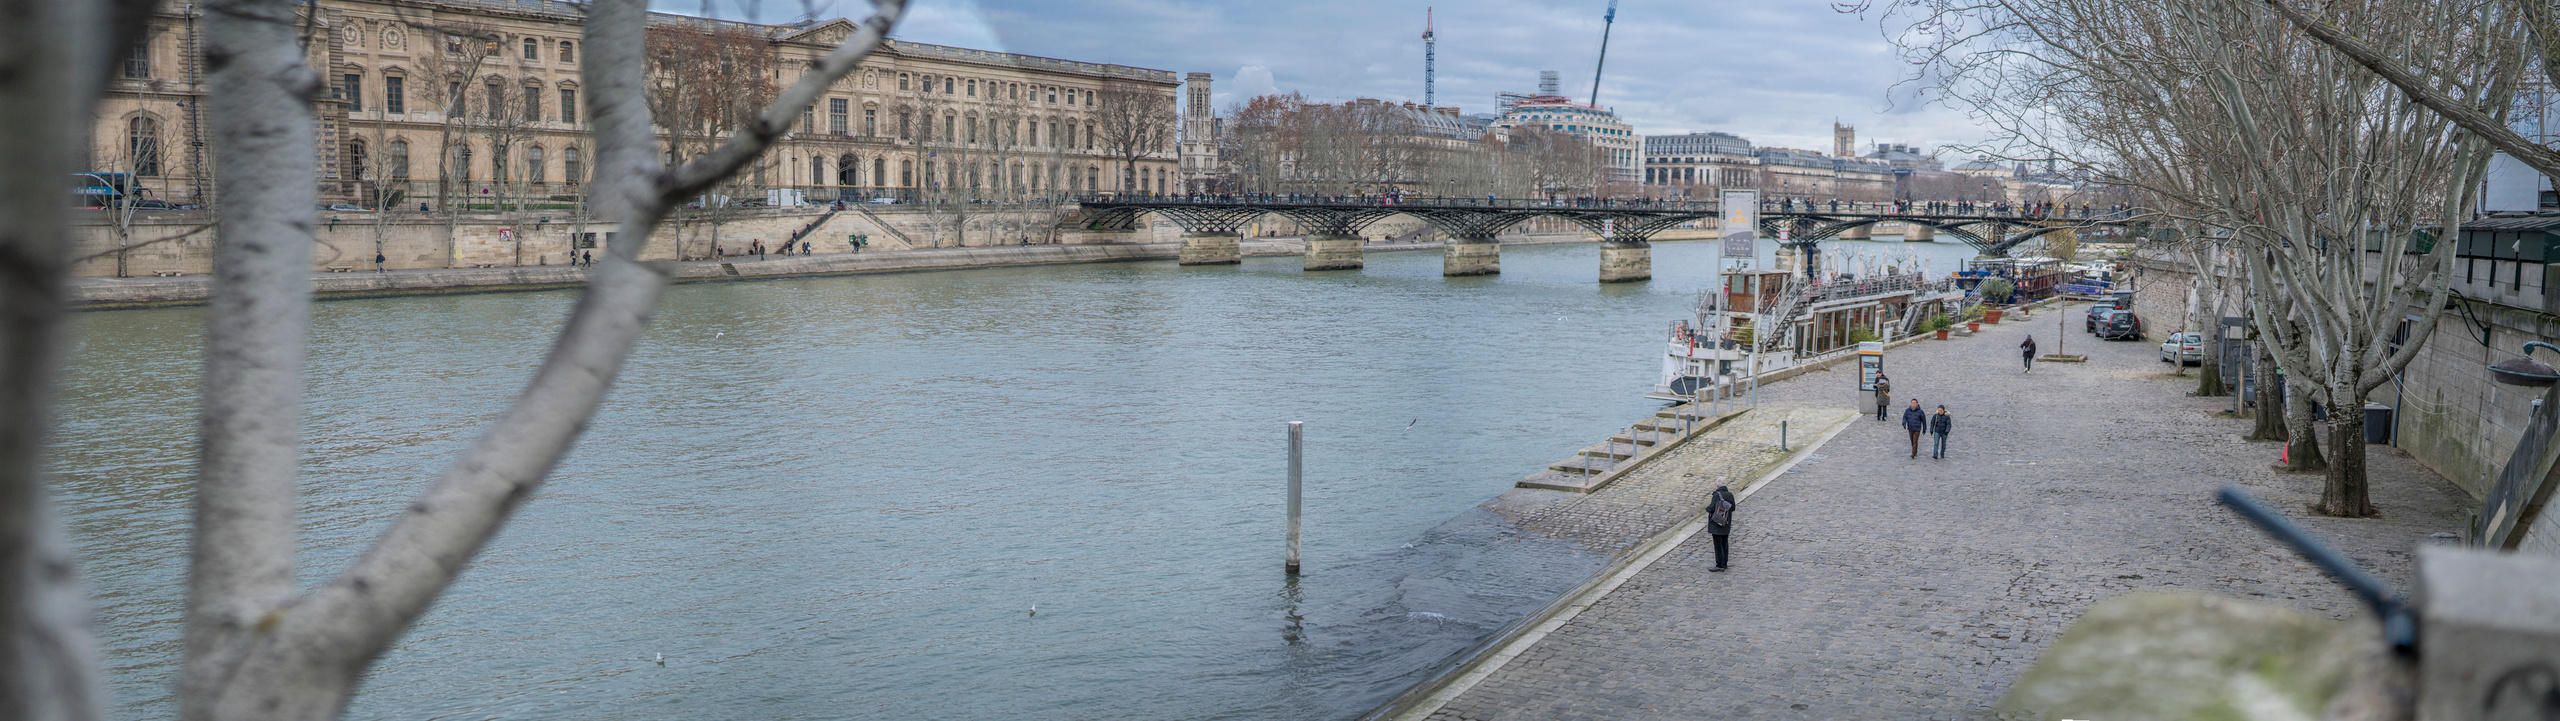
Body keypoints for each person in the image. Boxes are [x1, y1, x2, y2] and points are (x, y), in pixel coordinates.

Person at [1707, 484, 1737, 572]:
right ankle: (1724, 563)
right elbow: (1733, 508)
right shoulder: (1730, 495)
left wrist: (1707, 509)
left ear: (1717, 485)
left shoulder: (1717, 495)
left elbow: (1711, 508)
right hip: (1726, 523)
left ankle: (1719, 565)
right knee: (1725, 543)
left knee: (1718, 545)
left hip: (1717, 523)